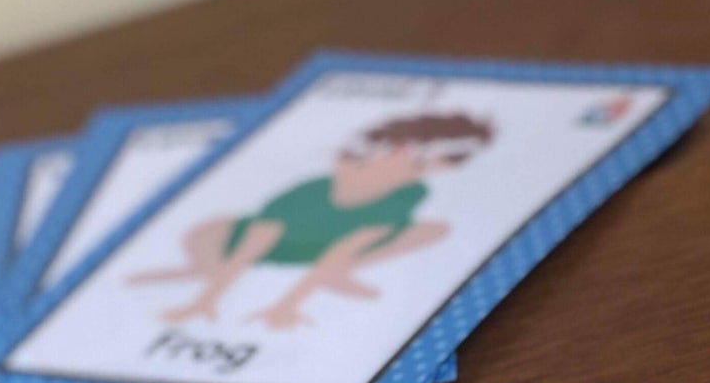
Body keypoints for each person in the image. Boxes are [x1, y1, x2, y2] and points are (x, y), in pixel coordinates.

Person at [128, 112, 494, 327]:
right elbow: (258, 238)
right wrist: (208, 298)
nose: (423, 171)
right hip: (263, 245)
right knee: (209, 229)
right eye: (418, 162)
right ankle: (206, 272)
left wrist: (289, 304)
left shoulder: (408, 195)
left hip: (325, 254)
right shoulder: (311, 192)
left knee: (433, 229)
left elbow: (349, 245)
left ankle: (334, 275)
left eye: (427, 167)